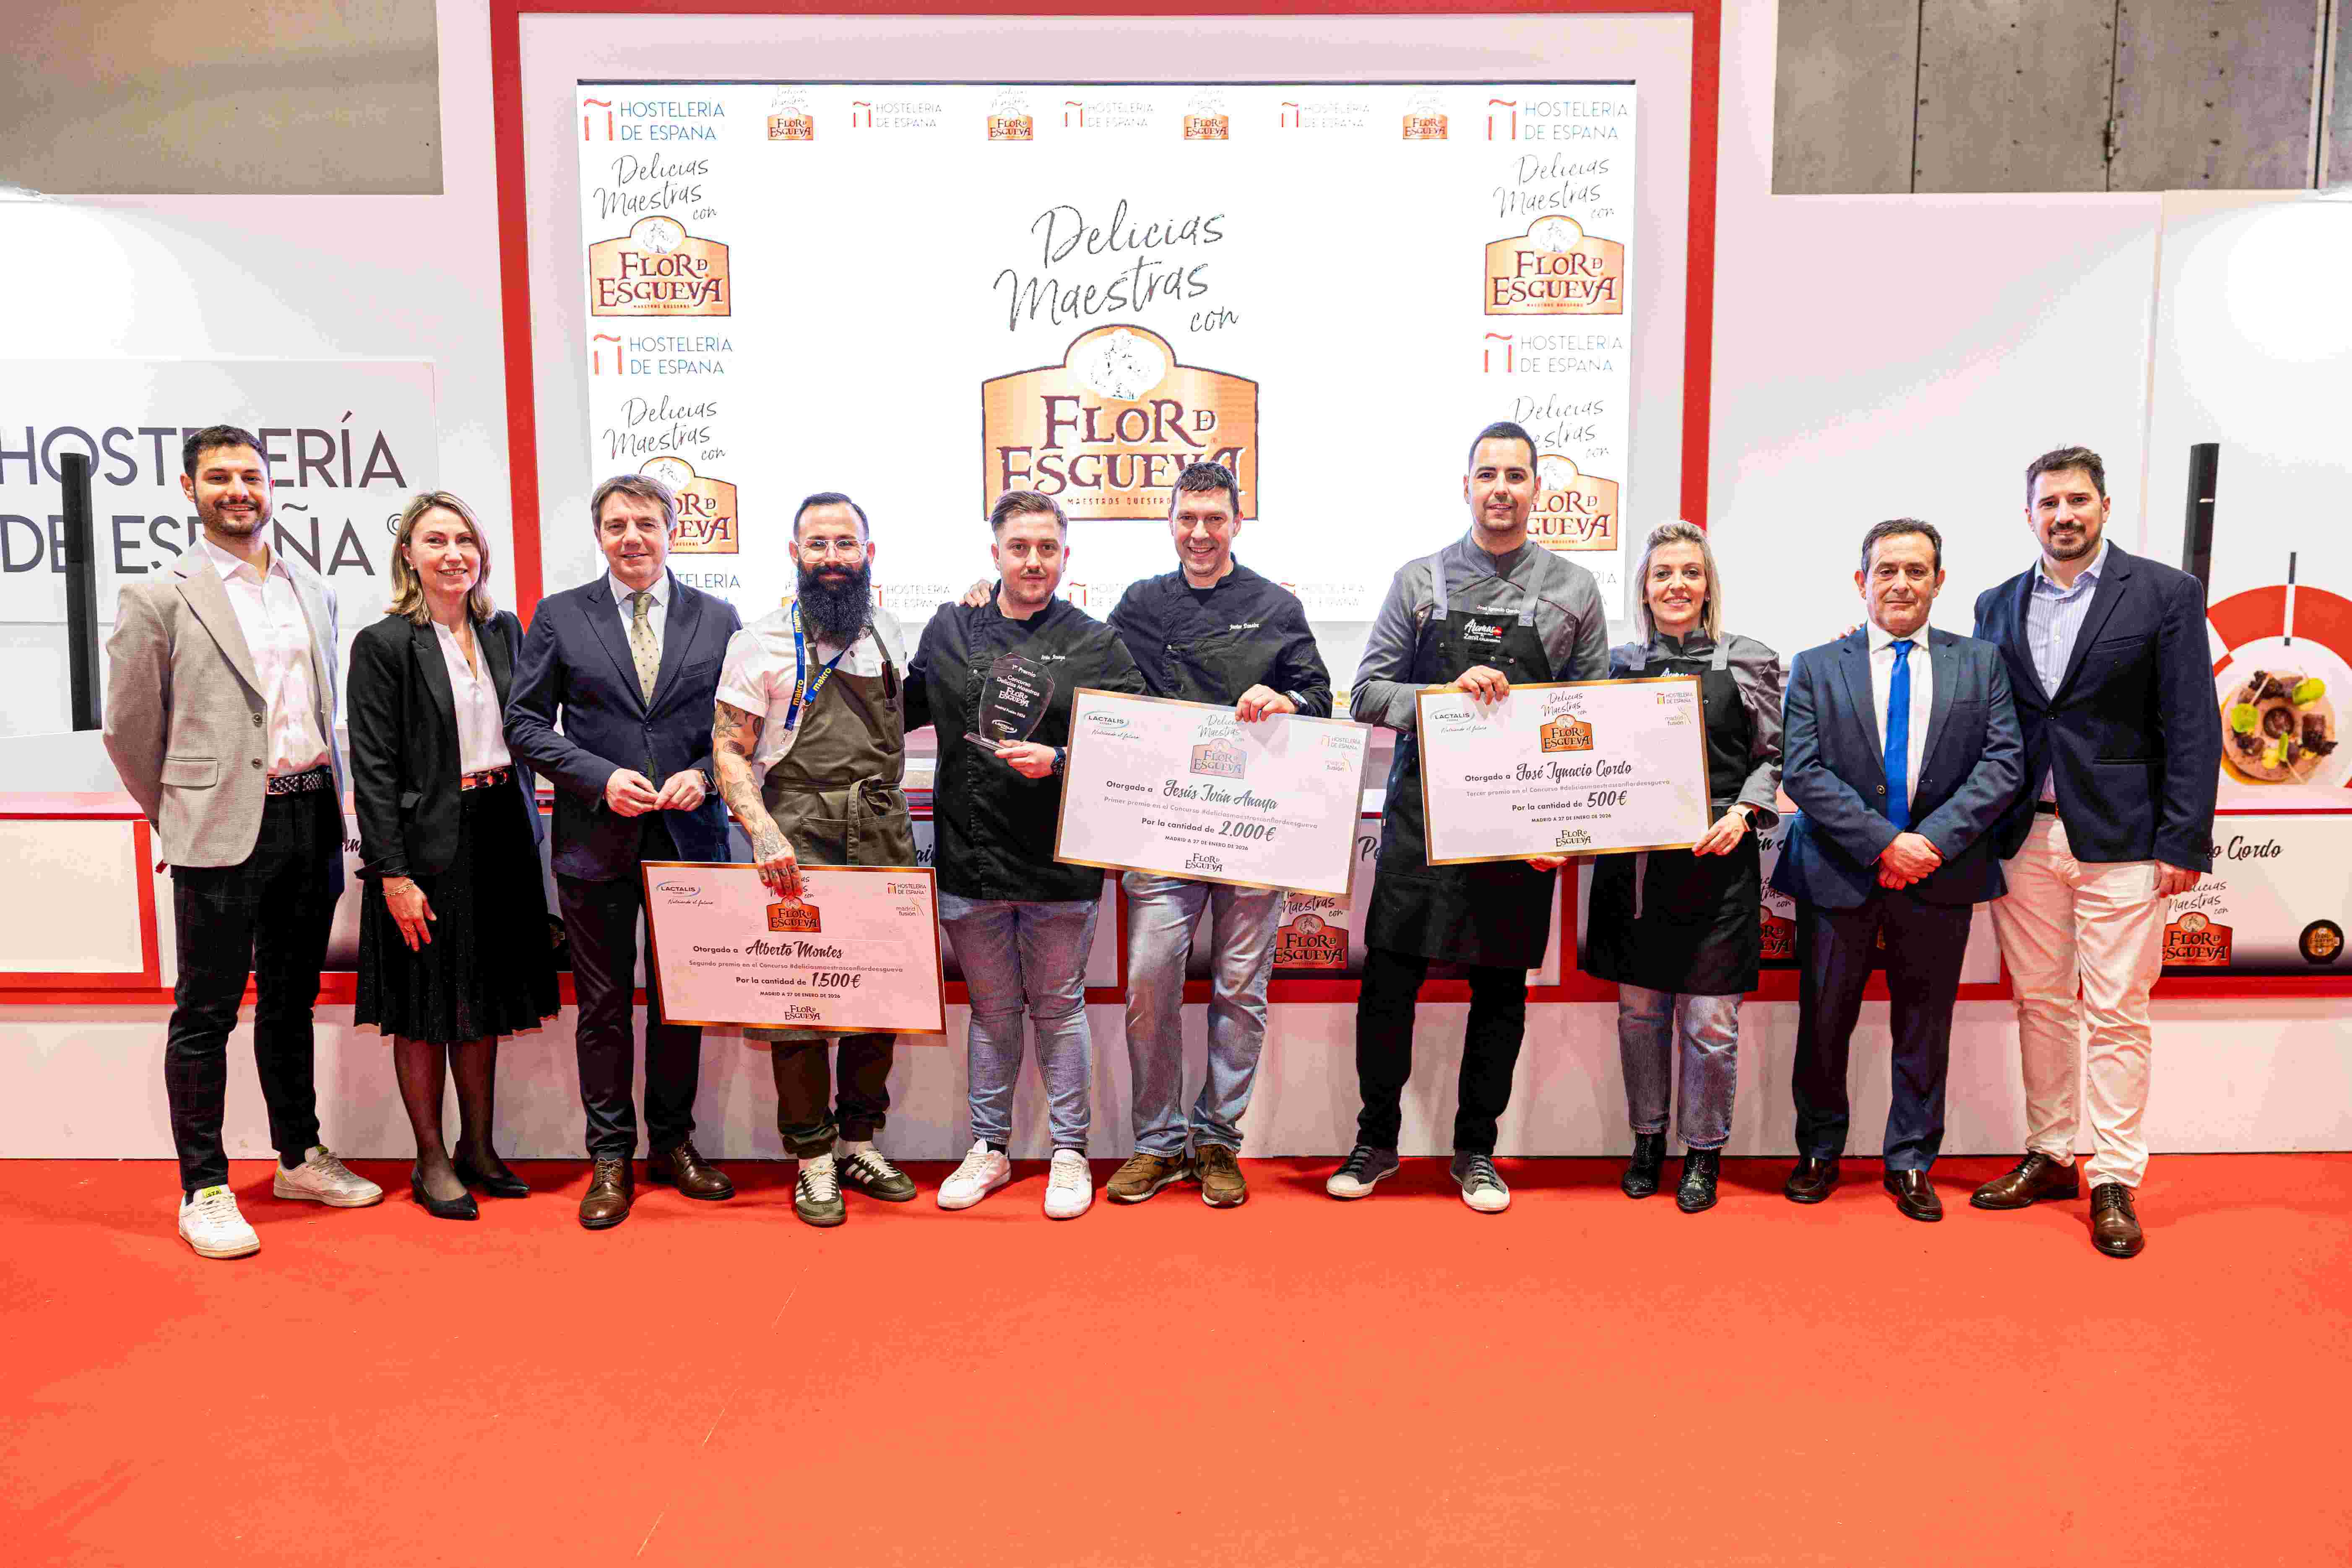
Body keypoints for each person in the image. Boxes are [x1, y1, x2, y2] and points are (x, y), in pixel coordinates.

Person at [102, 424, 383, 1259]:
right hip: (220, 829)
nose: (238, 490)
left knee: (291, 999)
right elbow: (128, 727)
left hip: (309, 818)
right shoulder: (160, 596)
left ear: (272, 488)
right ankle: (206, 1186)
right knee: (206, 1010)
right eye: (218, 477)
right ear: (188, 490)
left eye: (251, 476)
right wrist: (183, 807)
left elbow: (323, 711)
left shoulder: (311, 587)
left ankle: (298, 1155)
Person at [1326, 421, 1609, 1214]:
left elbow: (1586, 721)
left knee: (1501, 990)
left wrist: (1566, 831)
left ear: (1536, 491)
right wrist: (1440, 698)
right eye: (1488, 474)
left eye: (1517, 477)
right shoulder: (1419, 582)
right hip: (1421, 822)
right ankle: (1375, 1139)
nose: (1501, 489)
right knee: (1388, 982)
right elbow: (1366, 692)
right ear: (1467, 487)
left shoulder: (1574, 591)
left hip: (1520, 827)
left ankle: (1477, 1150)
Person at [1967, 446, 2221, 1258]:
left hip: (2124, 837)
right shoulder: (1994, 603)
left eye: (2077, 500)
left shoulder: (2164, 594)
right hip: (2024, 835)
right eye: (2047, 503)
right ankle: (2049, 1152)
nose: (2062, 515)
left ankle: (2114, 1173)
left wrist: (2182, 837)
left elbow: (2190, 724)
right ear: (2027, 515)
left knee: (2116, 1009)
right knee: (2039, 1001)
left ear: (2104, 507)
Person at [505, 472, 743, 1230]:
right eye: (616, 525)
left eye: (646, 522)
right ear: (600, 535)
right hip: (594, 842)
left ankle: (673, 1145)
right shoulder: (560, 616)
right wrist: (599, 777)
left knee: (682, 1005)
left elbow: (742, 732)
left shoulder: (720, 618)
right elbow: (526, 724)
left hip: (690, 841)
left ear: (674, 529)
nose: (632, 538)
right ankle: (609, 1155)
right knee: (604, 1007)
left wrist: (704, 777)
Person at [1773, 518, 2022, 1222]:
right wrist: (1886, 843)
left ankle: (1912, 1159)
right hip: (1838, 872)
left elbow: (2003, 764)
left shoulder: (1981, 663)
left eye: (1917, 570)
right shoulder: (1818, 664)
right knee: (1824, 1022)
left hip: (1939, 874)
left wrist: (1929, 844)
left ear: (1940, 582)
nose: (1902, 583)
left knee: (1925, 1024)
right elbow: (1805, 770)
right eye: (1887, 570)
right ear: (1862, 582)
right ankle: (1820, 1150)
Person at [1100, 461, 1333, 1209]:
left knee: (1240, 989)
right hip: (1164, 828)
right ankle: (1158, 1142)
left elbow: (1323, 697)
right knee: (1148, 979)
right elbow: (1093, 683)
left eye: (1215, 519)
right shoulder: (1138, 605)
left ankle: (1217, 1140)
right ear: (1171, 523)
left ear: (1237, 523)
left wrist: (1287, 697)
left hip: (1253, 831)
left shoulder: (1273, 605)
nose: (1200, 534)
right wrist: (986, 601)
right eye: (1187, 519)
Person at [913, 490, 1144, 1220]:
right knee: (992, 1012)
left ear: (1066, 557)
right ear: (996, 554)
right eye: (1020, 548)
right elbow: (898, 706)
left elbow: (1136, 742)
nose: (1033, 561)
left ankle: (1070, 1153)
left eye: (1047, 548)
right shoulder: (951, 628)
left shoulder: (1097, 642)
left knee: (1058, 1007)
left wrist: (1062, 757)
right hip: (968, 858)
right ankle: (989, 1148)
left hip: (1059, 867)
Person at [711, 492, 922, 1227]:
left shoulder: (889, 630)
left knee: (881, 993)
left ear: (868, 554)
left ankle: (859, 1141)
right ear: (794, 554)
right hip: (795, 829)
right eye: (818, 544)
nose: (833, 558)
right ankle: (812, 1159)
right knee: (797, 1002)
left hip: (880, 828)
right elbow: (730, 752)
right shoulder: (759, 642)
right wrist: (764, 835)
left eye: (846, 544)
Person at [348, 491, 557, 1220]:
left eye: (464, 540)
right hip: (425, 846)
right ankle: (431, 1157)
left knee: (485, 998)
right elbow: (372, 767)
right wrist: (393, 875)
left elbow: (529, 727)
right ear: (409, 554)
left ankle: (479, 1148)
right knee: (423, 1007)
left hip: (501, 830)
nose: (453, 554)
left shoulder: (504, 631)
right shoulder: (383, 644)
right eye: (435, 540)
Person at [1584, 521, 1783, 1214]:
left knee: (1710, 1025)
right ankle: (1647, 1141)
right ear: (1644, 585)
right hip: (1634, 872)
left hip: (1718, 867)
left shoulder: (1749, 660)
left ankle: (1704, 1153)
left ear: (1709, 585)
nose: (1677, 585)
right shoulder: (1614, 665)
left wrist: (1743, 815)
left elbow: (1774, 754)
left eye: (1690, 573)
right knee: (1640, 1016)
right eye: (1663, 573)